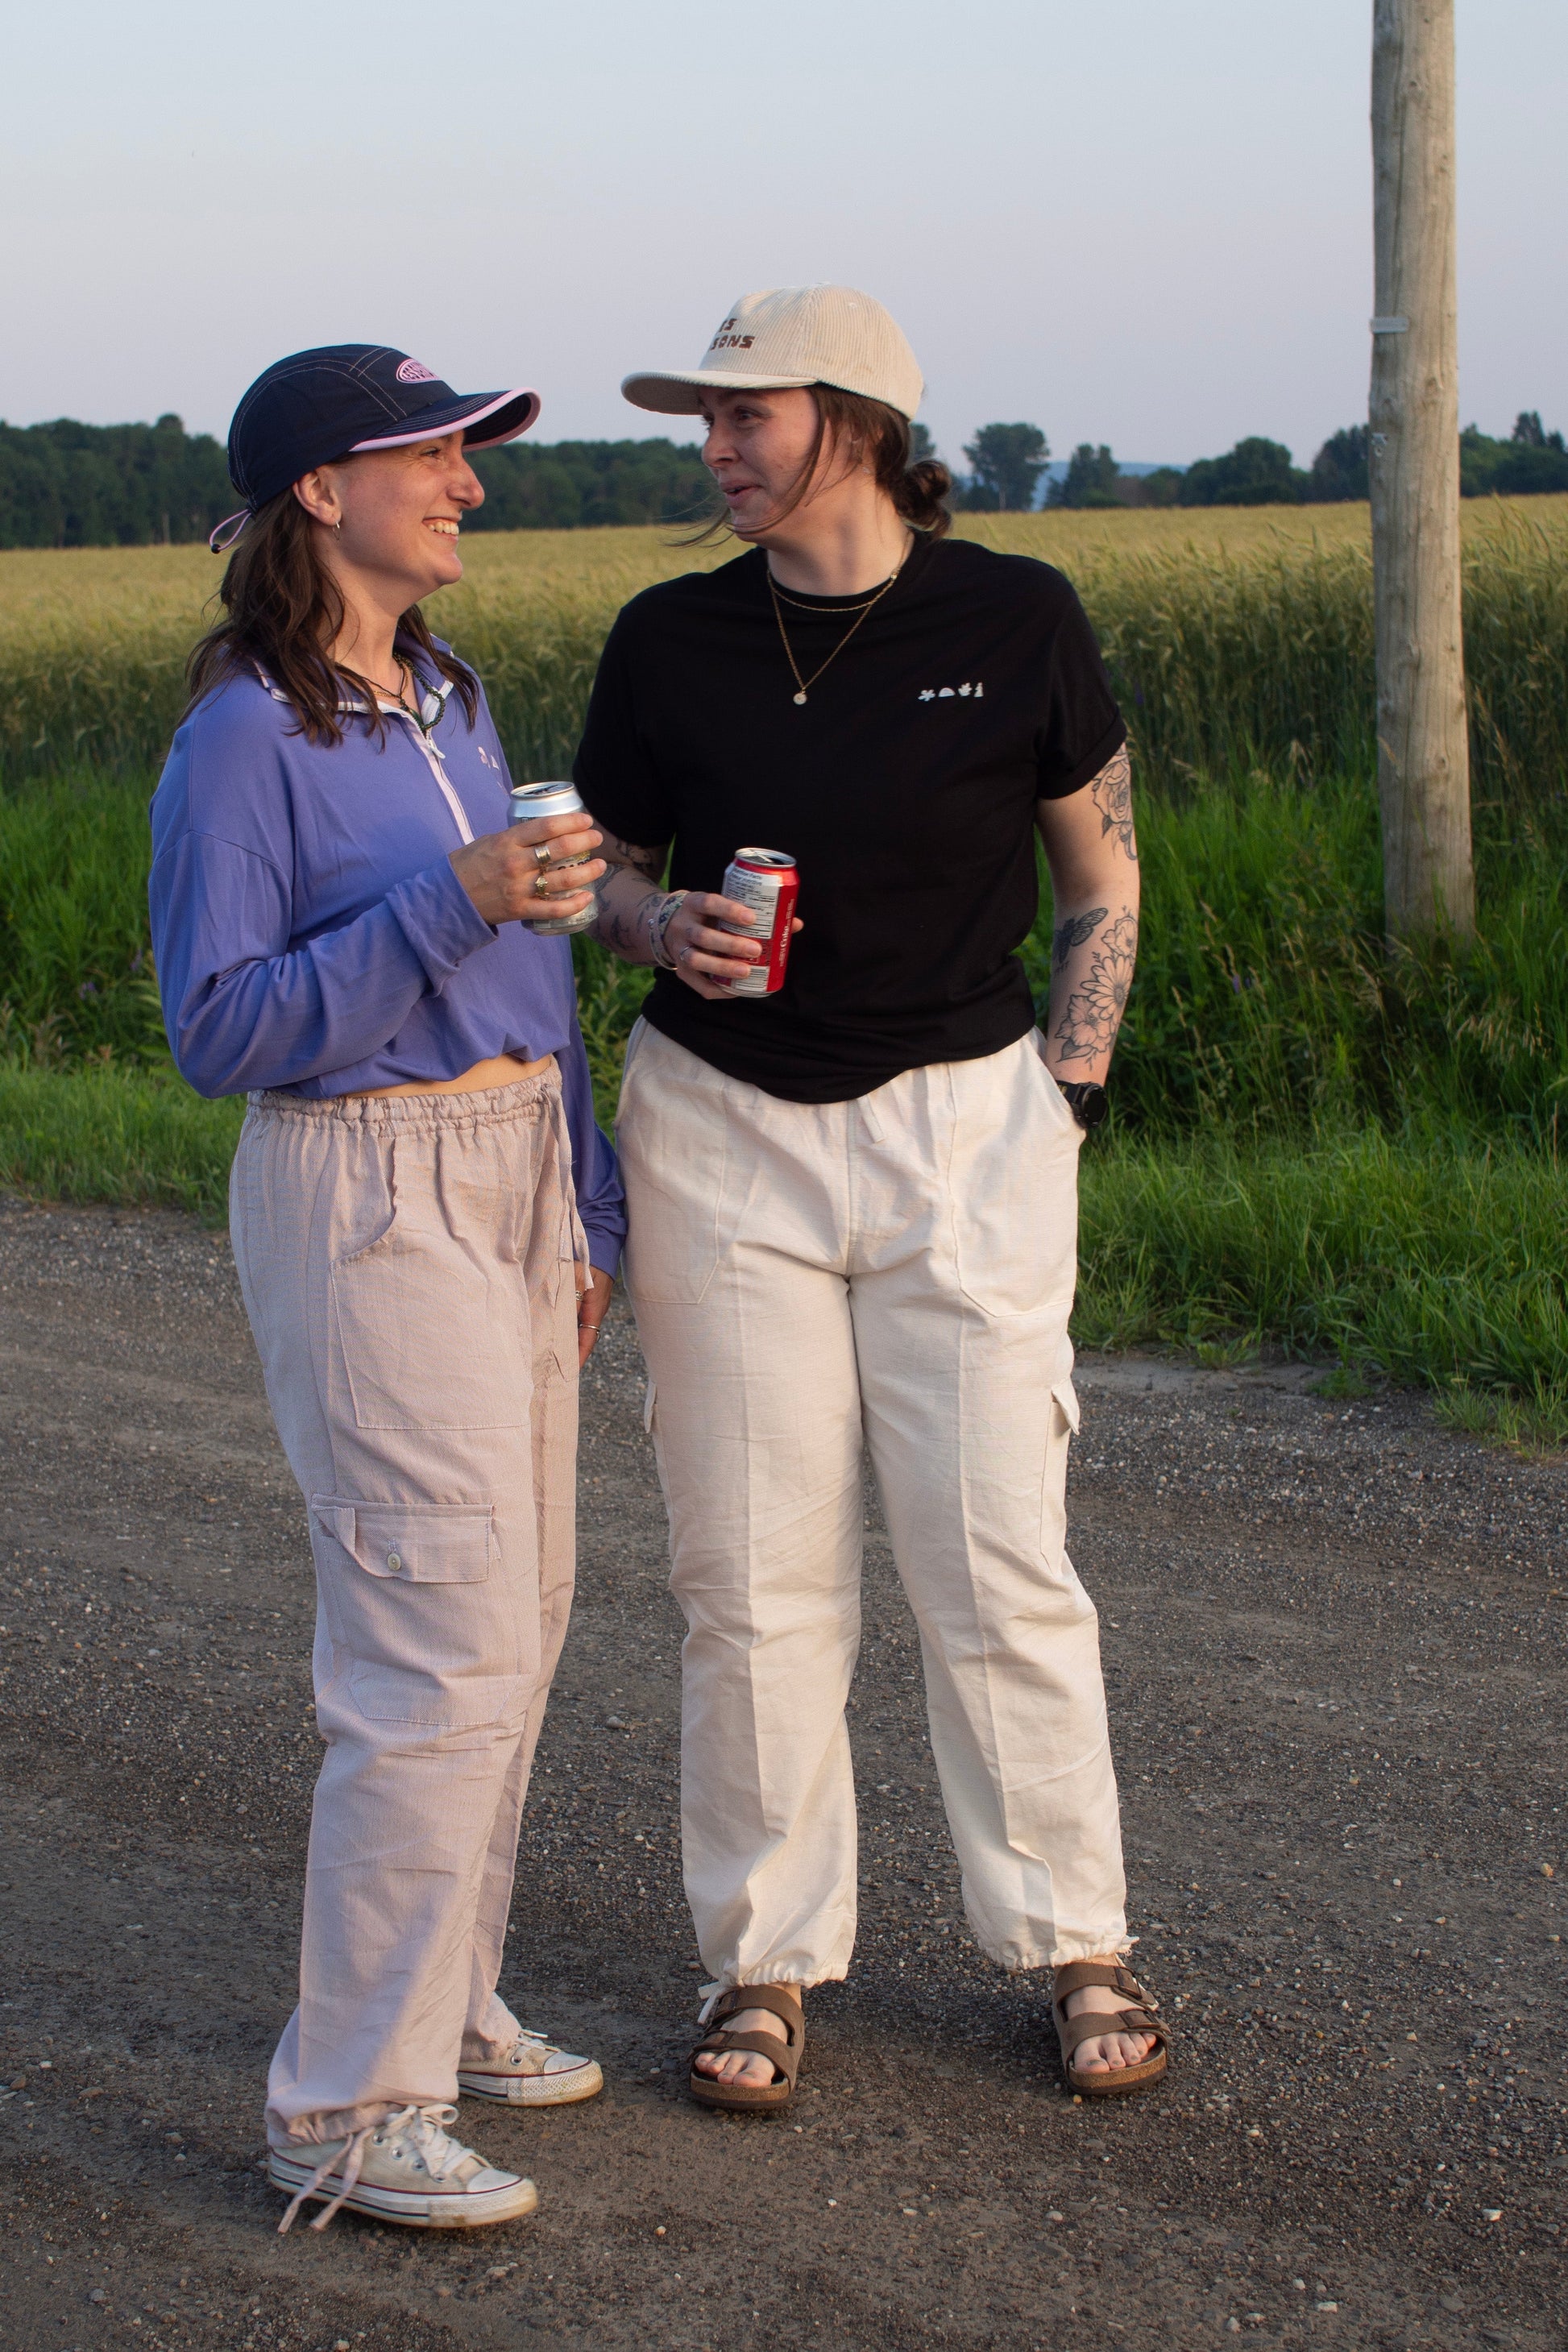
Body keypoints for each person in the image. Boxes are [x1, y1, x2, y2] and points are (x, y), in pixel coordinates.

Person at [575, 285, 1170, 2109]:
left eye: (748, 414)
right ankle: (761, 1961)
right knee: (749, 1575)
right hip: (718, 1129)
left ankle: (1074, 1937)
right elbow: (603, 857)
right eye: (707, 418)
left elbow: (1102, 877)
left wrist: (1066, 1088)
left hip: (964, 1131)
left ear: (860, 418)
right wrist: (651, 921)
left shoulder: (1017, 617)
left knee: (994, 1554)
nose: (716, 447)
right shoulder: (670, 636)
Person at [149, 345, 625, 2230]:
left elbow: (529, 972)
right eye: (432, 454)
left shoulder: (447, 695)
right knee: (435, 1640)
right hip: (367, 1188)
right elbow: (220, 1025)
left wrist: (583, 1198)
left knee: (528, 1612)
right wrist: (457, 898)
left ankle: (453, 1996)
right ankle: (346, 2108)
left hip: (514, 1175)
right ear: (319, 494)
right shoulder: (244, 739)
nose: (469, 485)